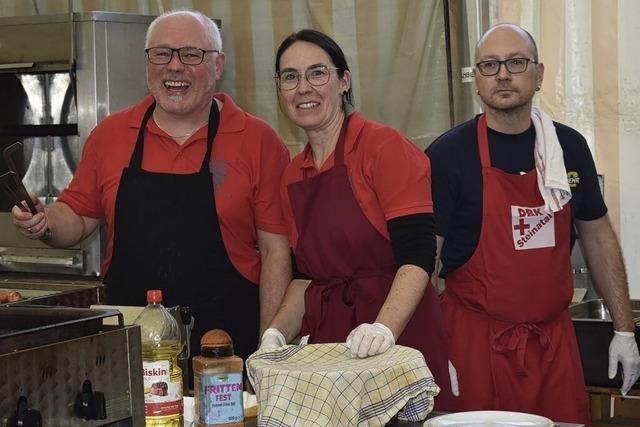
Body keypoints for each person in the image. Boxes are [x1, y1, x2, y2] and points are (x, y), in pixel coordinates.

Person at [11, 10, 292, 368]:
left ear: (218, 65)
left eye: (191, 54)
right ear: (147, 63)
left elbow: (275, 252)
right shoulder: (111, 135)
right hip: (132, 344)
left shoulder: (258, 140)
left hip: (227, 344)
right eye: (162, 53)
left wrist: (267, 352)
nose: (175, 67)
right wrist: (44, 222)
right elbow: (79, 216)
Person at [426, 23, 640, 423]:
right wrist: (430, 344)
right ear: (477, 79)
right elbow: (425, 262)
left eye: (516, 62)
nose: (503, 74)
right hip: (473, 347)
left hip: (552, 348)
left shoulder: (568, 148)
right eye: (489, 65)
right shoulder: (448, 155)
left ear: (538, 75)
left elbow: (598, 238)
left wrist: (624, 330)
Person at [258, 29, 455, 410]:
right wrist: (275, 335)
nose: (303, 88)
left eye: (318, 73)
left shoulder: (384, 148)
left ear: (343, 81)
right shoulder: (292, 175)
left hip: (400, 334)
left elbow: (418, 257)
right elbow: (305, 277)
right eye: (290, 76)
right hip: (332, 349)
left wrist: (384, 330)